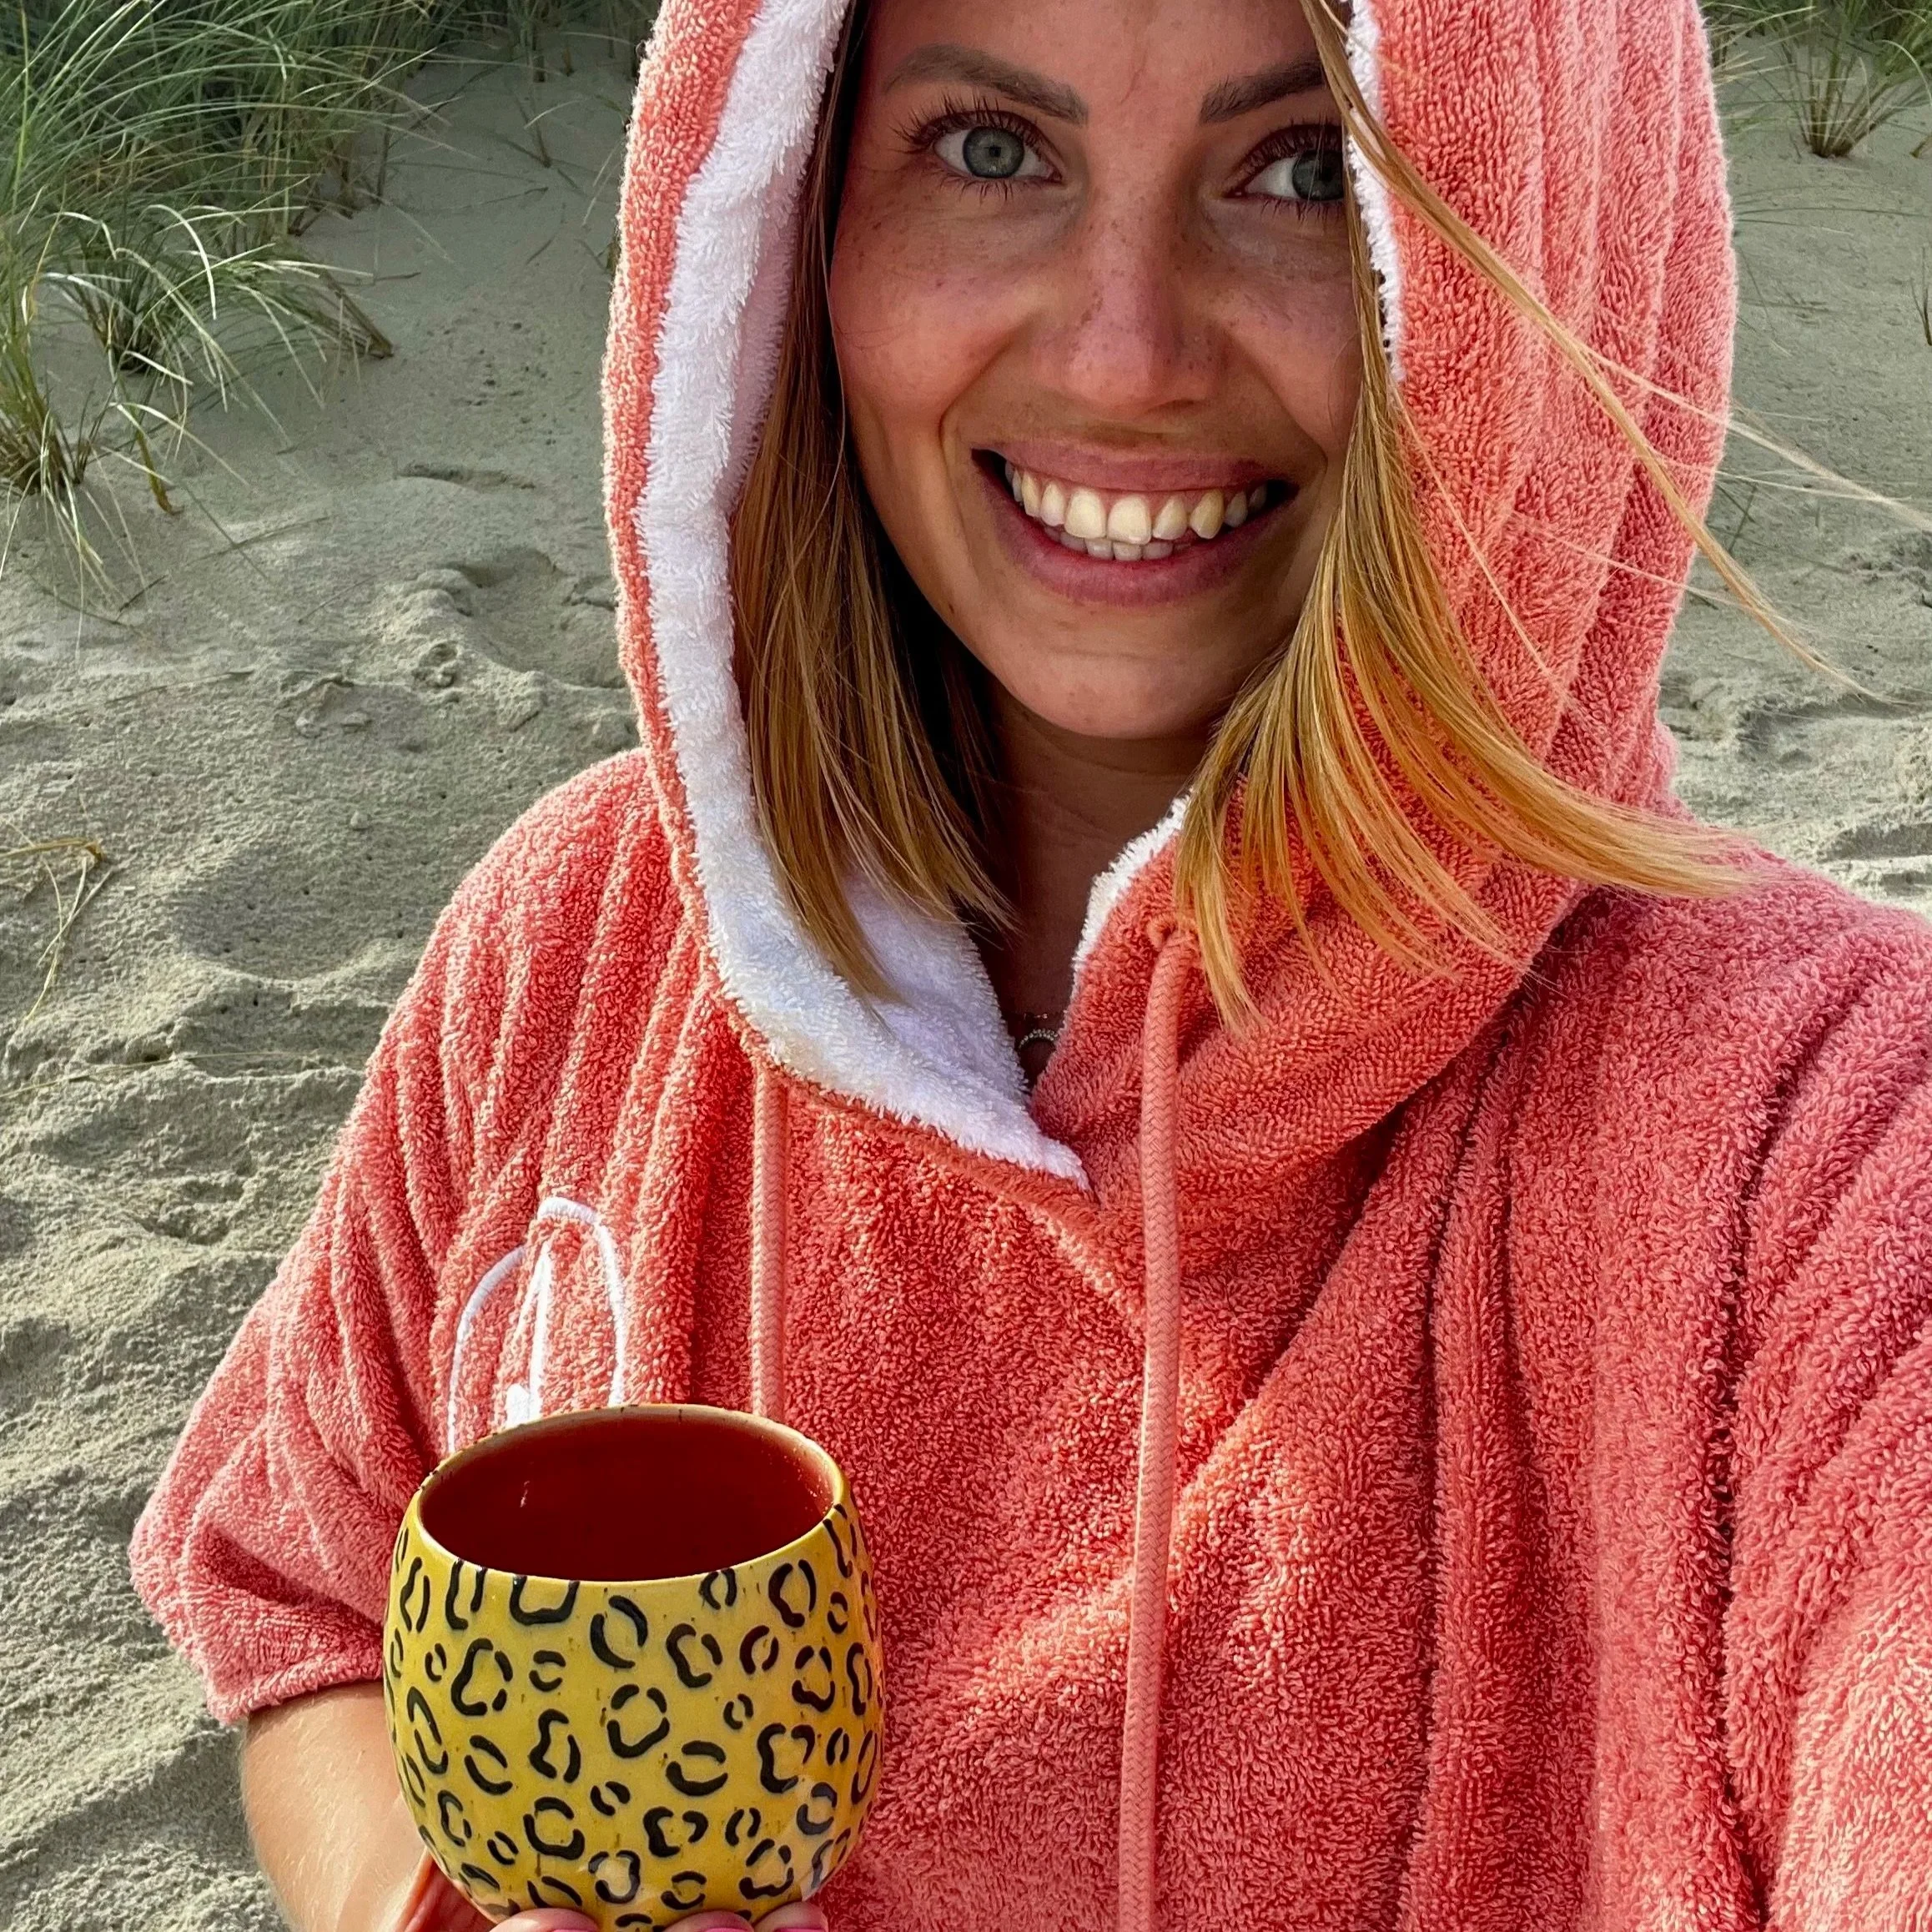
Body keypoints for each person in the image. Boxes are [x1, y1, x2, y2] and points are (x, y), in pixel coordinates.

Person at [132, 0, 1932, 1924]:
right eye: (992, 150)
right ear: (792, 223)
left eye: (1307, 173)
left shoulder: (1826, 1155)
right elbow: (311, 1597)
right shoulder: (574, 942)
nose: (1125, 353)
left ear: (1551, 232)